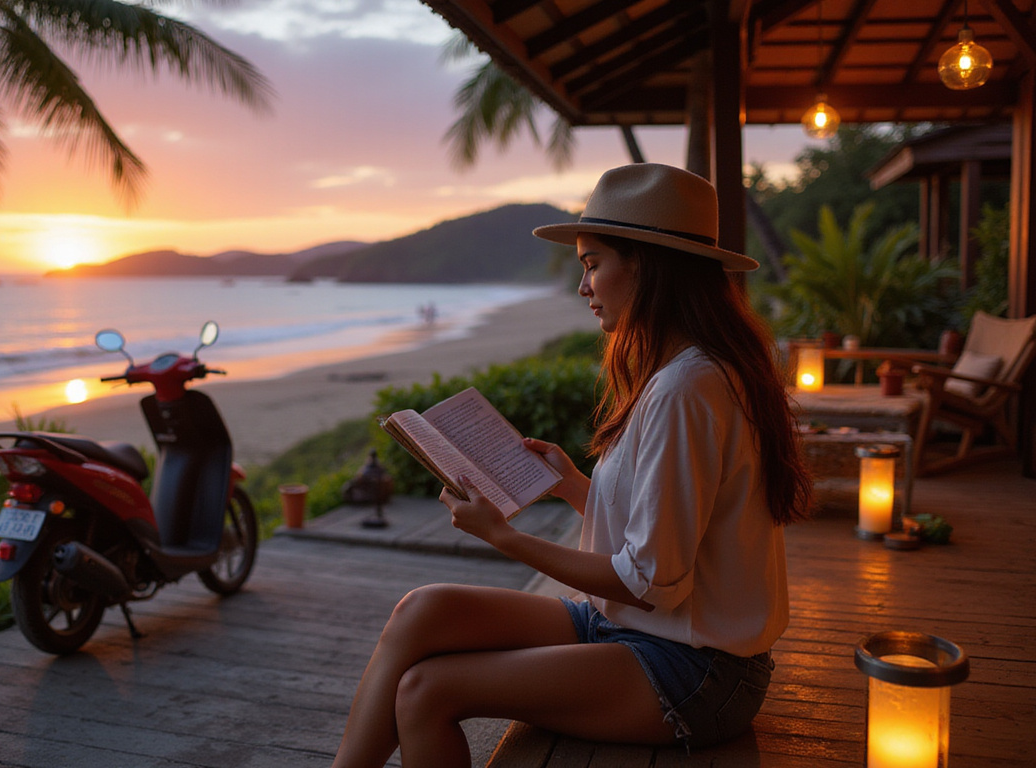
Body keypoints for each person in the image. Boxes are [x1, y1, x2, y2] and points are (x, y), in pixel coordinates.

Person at [330, 163, 813, 767]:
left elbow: (651, 582)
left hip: (699, 670)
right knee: (421, 610)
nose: (583, 286)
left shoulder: (687, 388)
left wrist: (503, 537)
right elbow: (670, 534)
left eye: (591, 264)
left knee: (426, 691)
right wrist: (573, 486)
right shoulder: (687, 371)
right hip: (639, 632)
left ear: (645, 264)